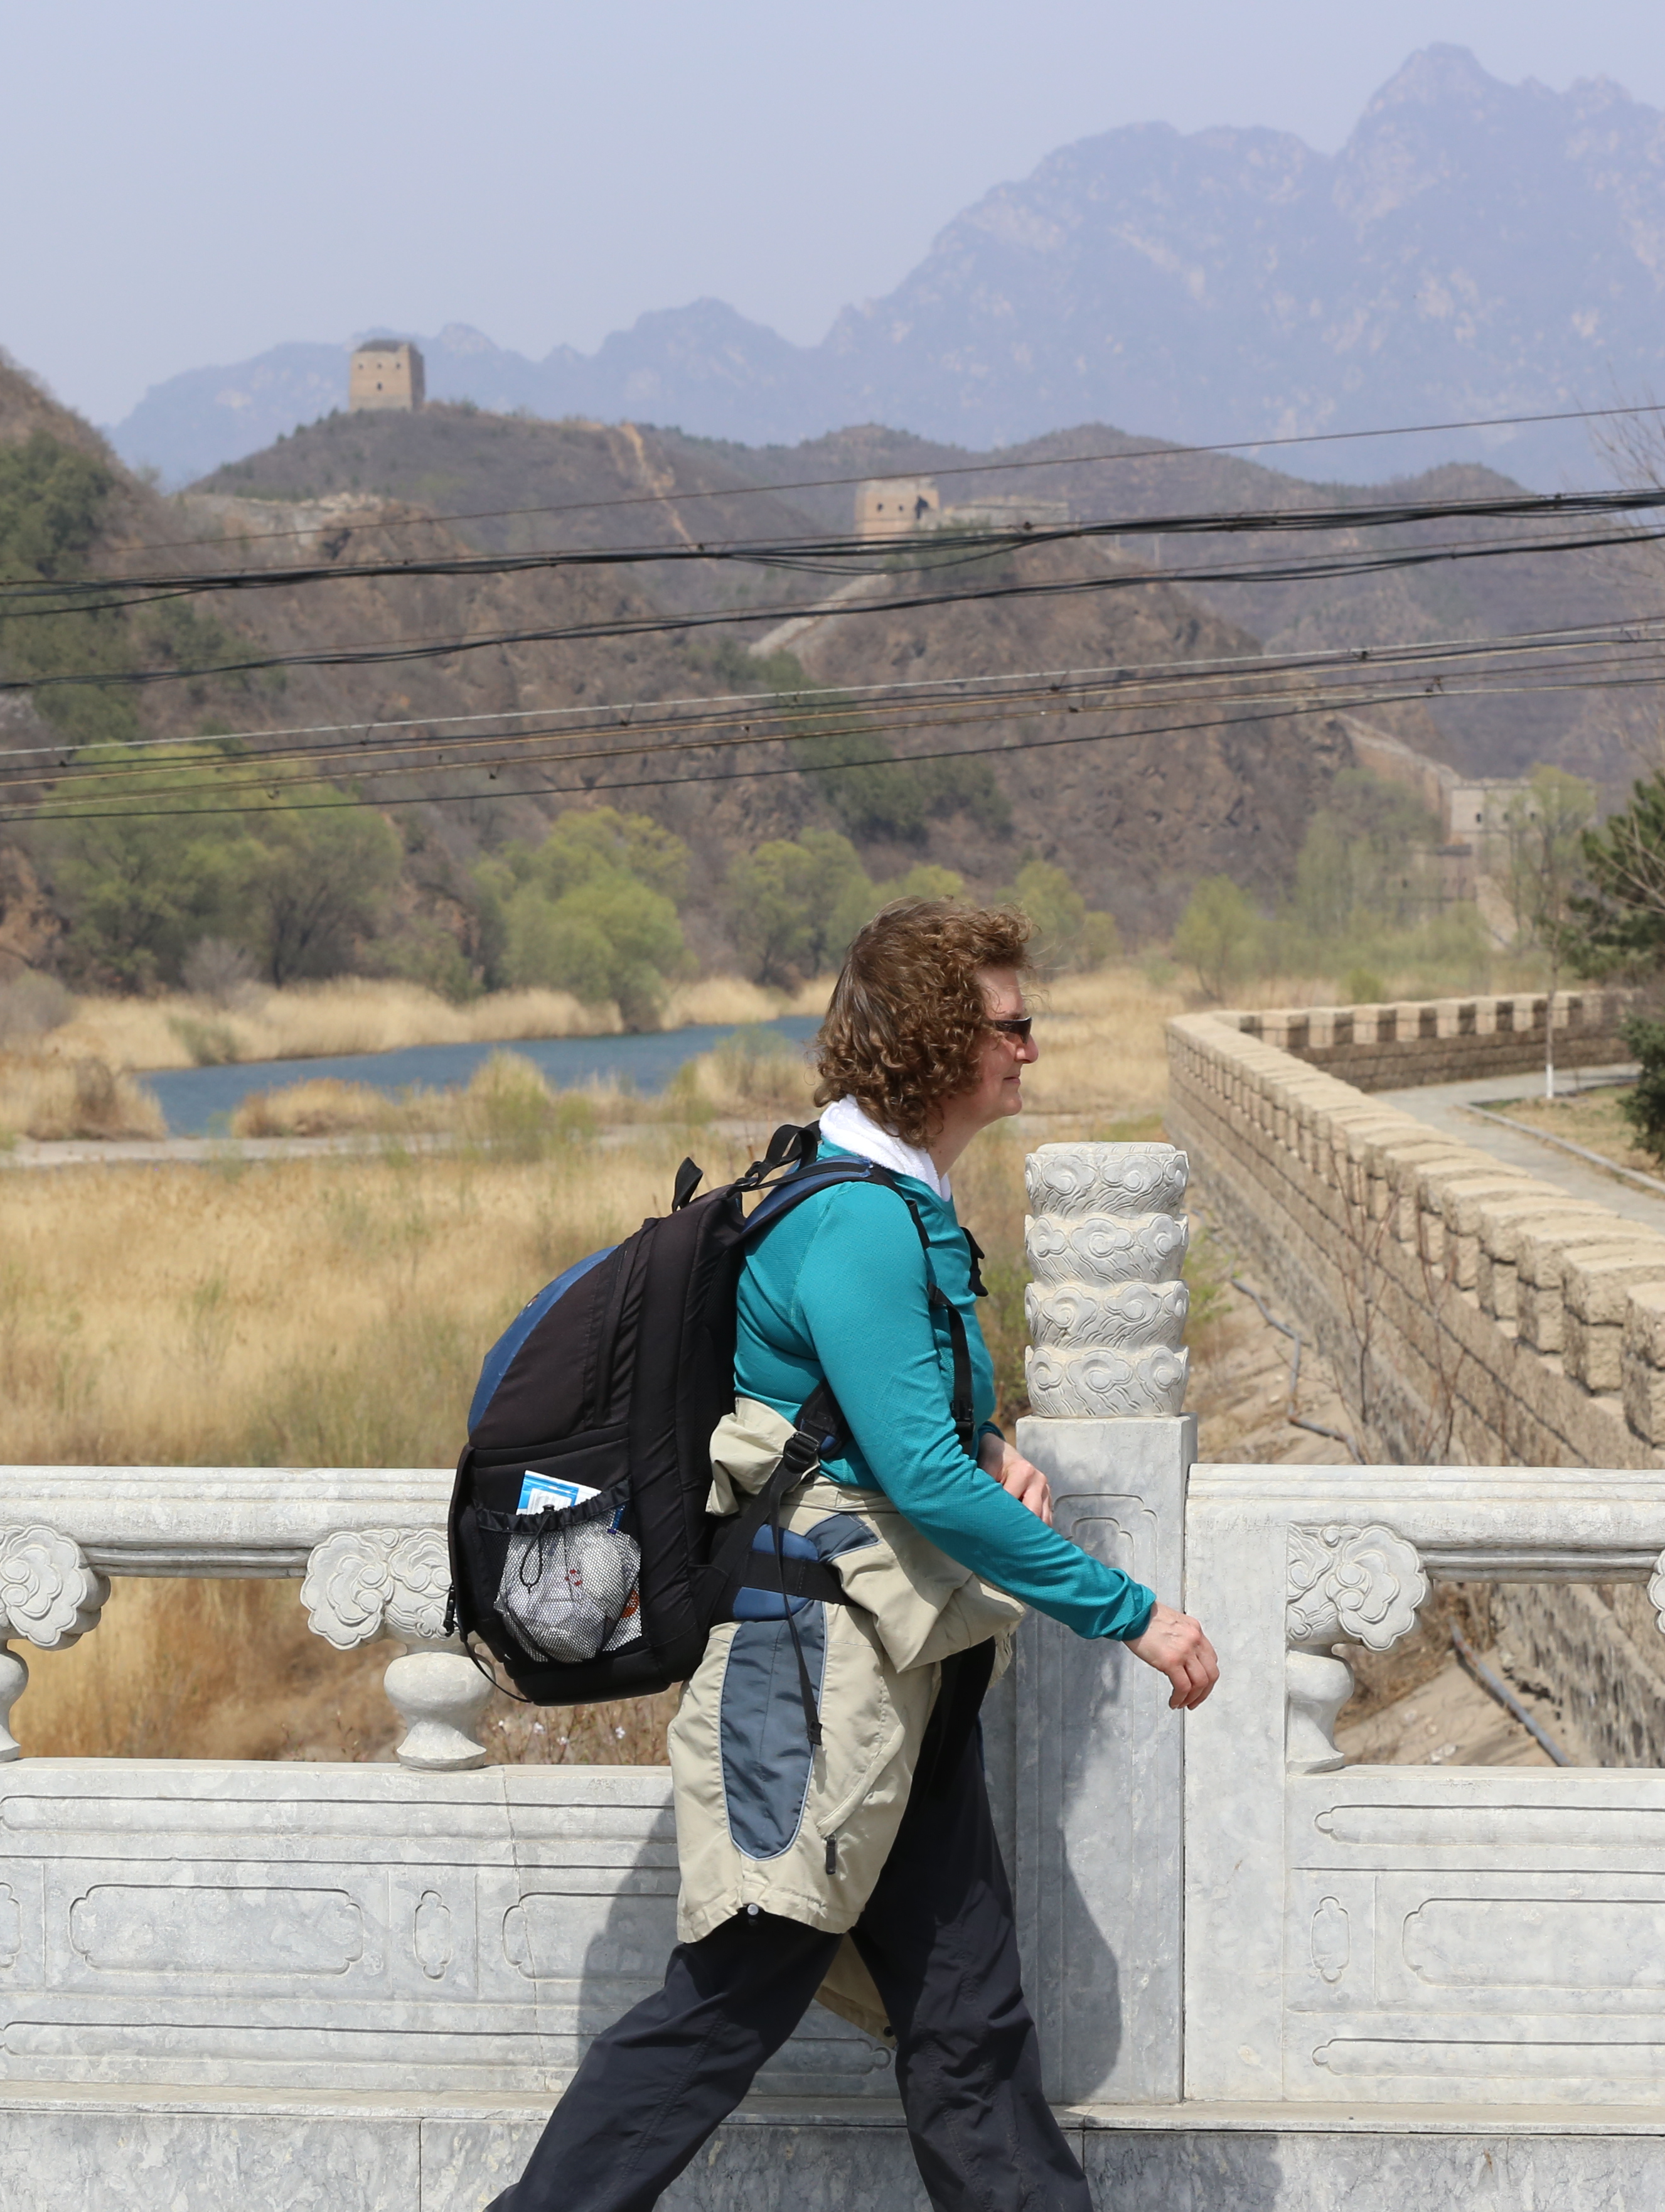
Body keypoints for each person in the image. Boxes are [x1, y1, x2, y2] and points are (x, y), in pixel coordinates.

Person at [489, 897, 1219, 2212]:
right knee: (724, 2008)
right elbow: (918, 1478)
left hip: (895, 1667)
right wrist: (1132, 1614)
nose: (1031, 1048)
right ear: (939, 1044)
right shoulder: (864, 1222)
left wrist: (987, 1437)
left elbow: (896, 1422)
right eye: (1012, 1025)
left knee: (967, 2022)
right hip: (815, 1677)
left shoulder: (894, 1198)